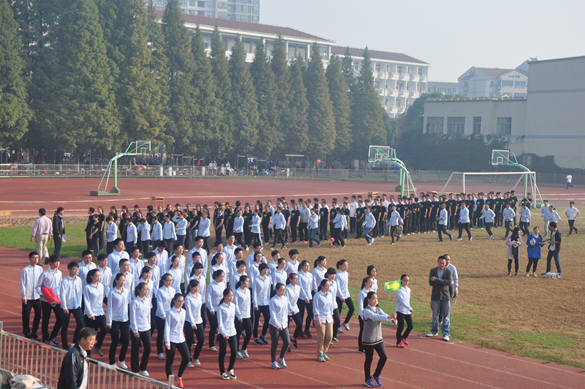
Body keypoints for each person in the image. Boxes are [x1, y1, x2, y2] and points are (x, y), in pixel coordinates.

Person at [362, 291, 392, 388]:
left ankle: (376, 375)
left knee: (384, 357)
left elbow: (384, 316)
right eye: (374, 299)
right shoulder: (366, 311)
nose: (376, 301)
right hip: (368, 339)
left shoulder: (378, 309)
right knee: (369, 359)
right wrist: (388, 317)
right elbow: (376, 317)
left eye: (377, 299)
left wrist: (392, 320)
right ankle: (367, 379)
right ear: (368, 300)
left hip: (378, 338)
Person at [37, 254, 63, 346]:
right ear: (50, 263)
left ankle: (53, 336)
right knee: (46, 319)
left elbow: (60, 286)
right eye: (55, 262)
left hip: (56, 300)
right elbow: (38, 286)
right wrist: (43, 294)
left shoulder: (59, 273)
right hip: (46, 300)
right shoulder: (45, 274)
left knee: (60, 319)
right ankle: (45, 338)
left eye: (58, 262)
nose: (57, 264)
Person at [164, 294, 189, 388]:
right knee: (170, 361)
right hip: (171, 339)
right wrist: (167, 342)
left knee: (186, 358)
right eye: (179, 301)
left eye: (182, 301)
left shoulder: (183, 312)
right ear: (174, 301)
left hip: (181, 338)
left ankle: (179, 376)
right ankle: (170, 382)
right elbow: (167, 327)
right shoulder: (170, 313)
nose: (180, 303)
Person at [106, 273, 129, 369]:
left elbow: (128, 305)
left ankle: (121, 359)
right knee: (115, 341)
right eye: (120, 280)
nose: (122, 282)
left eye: (124, 280)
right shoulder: (112, 292)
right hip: (115, 320)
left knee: (126, 340)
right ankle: (112, 361)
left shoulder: (126, 291)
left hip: (124, 319)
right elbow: (109, 307)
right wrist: (109, 321)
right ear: (116, 281)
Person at [427, 256, 453, 341]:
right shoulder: (433, 270)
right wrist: (442, 282)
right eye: (440, 262)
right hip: (435, 296)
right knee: (435, 316)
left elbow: (449, 282)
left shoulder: (448, 271)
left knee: (446, 316)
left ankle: (446, 333)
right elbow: (431, 283)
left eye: (443, 263)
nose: (441, 264)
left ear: (446, 263)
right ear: (437, 262)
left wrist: (437, 280)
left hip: (445, 296)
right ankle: (434, 331)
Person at [59, 261, 83, 351]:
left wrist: (79, 304)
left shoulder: (79, 280)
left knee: (80, 322)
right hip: (67, 306)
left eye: (77, 269)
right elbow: (63, 294)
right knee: (65, 326)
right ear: (69, 270)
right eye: (74, 269)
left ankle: (75, 341)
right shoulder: (65, 281)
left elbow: (80, 292)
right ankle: (65, 345)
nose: (76, 271)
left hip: (76, 305)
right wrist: (64, 307)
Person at [130, 282, 152, 376]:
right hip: (137, 328)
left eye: (147, 290)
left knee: (148, 348)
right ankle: (135, 369)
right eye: (144, 290)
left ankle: (143, 367)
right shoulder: (134, 302)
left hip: (146, 327)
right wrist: (135, 330)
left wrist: (149, 326)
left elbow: (148, 315)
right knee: (135, 349)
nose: (146, 291)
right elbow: (133, 317)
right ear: (139, 290)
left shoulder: (147, 301)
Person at [83, 269, 106, 356]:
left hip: (99, 312)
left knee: (104, 329)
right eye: (96, 276)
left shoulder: (101, 286)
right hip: (90, 313)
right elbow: (87, 301)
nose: (98, 278)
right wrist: (90, 314)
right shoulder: (87, 287)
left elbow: (101, 299)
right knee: (89, 334)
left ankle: (97, 346)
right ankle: (87, 352)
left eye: (99, 276)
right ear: (91, 277)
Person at [269, 283, 292, 369]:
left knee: (287, 342)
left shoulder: (285, 299)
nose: (283, 291)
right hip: (274, 325)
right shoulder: (273, 300)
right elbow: (273, 314)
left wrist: (293, 310)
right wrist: (277, 325)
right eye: (281, 290)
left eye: (284, 290)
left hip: (284, 324)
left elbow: (288, 306)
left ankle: (281, 358)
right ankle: (273, 361)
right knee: (275, 343)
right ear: (277, 290)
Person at [21, 251, 43, 340]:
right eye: (34, 258)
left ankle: (34, 332)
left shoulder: (40, 269)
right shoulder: (25, 270)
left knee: (38, 314)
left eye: (37, 258)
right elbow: (23, 284)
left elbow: (41, 282)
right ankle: (26, 332)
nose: (36, 260)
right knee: (26, 315)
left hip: (37, 297)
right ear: (29, 259)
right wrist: (24, 297)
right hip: (28, 297)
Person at [217, 288, 238, 380]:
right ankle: (222, 371)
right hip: (223, 333)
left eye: (232, 296)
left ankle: (230, 369)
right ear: (224, 296)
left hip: (232, 331)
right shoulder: (220, 308)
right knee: (223, 352)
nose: (231, 297)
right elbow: (220, 323)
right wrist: (224, 333)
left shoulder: (233, 306)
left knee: (234, 351)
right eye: (229, 296)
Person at [155, 273, 176, 360]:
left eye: (171, 280)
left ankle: (168, 351)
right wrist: (163, 315)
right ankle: (160, 352)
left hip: (170, 315)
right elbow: (159, 304)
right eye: (168, 280)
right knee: (161, 334)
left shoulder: (173, 290)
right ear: (163, 281)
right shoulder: (160, 291)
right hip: (161, 316)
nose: (169, 282)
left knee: (169, 334)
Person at [184, 279, 204, 367]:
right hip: (189, 322)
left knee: (201, 340)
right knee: (188, 341)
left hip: (198, 320)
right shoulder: (188, 298)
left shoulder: (199, 296)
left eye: (198, 287)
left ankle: (195, 356)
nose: (196, 288)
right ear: (190, 287)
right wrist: (193, 323)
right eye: (195, 287)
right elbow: (189, 311)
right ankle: (188, 359)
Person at [313, 279, 334, 362]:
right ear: (322, 286)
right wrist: (318, 319)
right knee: (321, 336)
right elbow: (316, 308)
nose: (328, 287)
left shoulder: (330, 295)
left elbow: (331, 307)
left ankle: (325, 351)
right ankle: (319, 354)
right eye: (326, 286)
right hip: (320, 318)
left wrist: (332, 317)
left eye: (329, 286)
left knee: (329, 336)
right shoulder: (317, 295)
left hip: (328, 318)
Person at [207, 269, 226, 351]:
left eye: (223, 277)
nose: (222, 278)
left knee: (221, 325)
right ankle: (211, 344)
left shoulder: (223, 284)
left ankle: (219, 339)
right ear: (216, 276)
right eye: (220, 277)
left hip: (220, 309)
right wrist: (211, 309)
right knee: (213, 327)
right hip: (213, 310)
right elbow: (208, 298)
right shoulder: (211, 285)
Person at [234, 275, 252, 359]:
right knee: (237, 334)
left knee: (249, 332)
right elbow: (236, 305)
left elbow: (248, 304)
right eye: (246, 281)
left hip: (247, 315)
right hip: (239, 316)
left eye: (248, 281)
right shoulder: (237, 292)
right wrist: (239, 316)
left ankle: (243, 348)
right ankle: (236, 351)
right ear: (242, 282)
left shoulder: (248, 291)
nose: (248, 283)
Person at [252, 263, 271, 345]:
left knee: (268, 319)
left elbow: (268, 291)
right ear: (260, 270)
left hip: (265, 303)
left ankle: (263, 335)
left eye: (267, 269)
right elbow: (254, 292)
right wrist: (255, 304)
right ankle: (256, 338)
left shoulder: (268, 279)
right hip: (258, 304)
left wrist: (269, 302)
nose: (266, 271)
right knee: (256, 321)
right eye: (264, 269)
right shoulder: (256, 279)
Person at [335, 260, 354, 334]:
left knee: (352, 308)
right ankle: (337, 326)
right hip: (339, 296)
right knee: (338, 312)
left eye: (347, 265)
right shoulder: (338, 275)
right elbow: (338, 287)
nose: (346, 267)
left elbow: (345, 286)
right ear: (340, 266)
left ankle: (345, 322)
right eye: (344, 265)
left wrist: (347, 294)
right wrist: (341, 296)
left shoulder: (346, 274)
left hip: (346, 294)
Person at [395, 274, 413, 348]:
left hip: (407, 311)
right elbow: (402, 301)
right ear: (401, 280)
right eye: (405, 280)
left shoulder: (408, 289)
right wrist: (409, 307)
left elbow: (407, 300)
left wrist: (408, 308)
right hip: (400, 310)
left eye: (407, 280)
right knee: (401, 327)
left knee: (411, 325)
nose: (406, 282)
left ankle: (404, 337)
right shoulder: (398, 290)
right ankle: (398, 342)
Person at [296, 260, 314, 339]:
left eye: (308, 266)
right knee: (301, 314)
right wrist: (305, 297)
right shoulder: (299, 275)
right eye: (306, 266)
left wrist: (310, 296)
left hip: (309, 297)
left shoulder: (310, 275)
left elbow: (310, 286)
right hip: (301, 298)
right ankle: (299, 331)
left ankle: (306, 329)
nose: (307, 267)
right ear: (302, 266)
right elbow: (300, 287)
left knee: (310, 313)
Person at [357, 276, 374, 354]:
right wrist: (362, 315)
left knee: (369, 331)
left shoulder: (372, 291)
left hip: (370, 314)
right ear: (365, 283)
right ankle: (361, 347)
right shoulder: (362, 293)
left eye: (372, 282)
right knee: (363, 331)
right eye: (370, 282)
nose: (371, 284)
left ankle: (368, 345)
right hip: (364, 315)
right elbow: (360, 305)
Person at [285, 273, 302, 349]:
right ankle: (286, 344)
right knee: (286, 328)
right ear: (290, 279)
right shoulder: (287, 288)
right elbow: (286, 300)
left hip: (295, 309)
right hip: (287, 310)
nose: (296, 280)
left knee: (300, 324)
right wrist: (291, 309)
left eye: (297, 279)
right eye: (295, 279)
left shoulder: (298, 288)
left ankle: (294, 338)